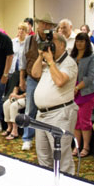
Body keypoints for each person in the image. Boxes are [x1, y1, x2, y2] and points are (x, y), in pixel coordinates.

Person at [32, 33, 78, 174]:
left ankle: (65, 185)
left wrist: (50, 61)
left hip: (60, 114)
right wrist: (41, 56)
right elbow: (34, 73)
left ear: (62, 45)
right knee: (43, 154)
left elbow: (59, 81)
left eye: (52, 42)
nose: (49, 44)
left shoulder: (69, 63)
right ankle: (48, 183)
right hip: (42, 114)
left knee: (61, 155)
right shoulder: (50, 62)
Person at [19, 13, 57, 151]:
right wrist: (21, 79)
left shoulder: (55, 39)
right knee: (30, 109)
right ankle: (27, 138)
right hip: (32, 78)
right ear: (38, 24)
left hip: (49, 78)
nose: (45, 27)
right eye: (43, 23)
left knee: (48, 109)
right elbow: (23, 61)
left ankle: (46, 138)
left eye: (49, 25)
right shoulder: (29, 40)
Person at [70, 32, 94, 157]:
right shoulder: (72, 56)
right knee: (76, 122)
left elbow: (90, 77)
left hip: (86, 92)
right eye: (77, 41)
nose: (79, 44)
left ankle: (86, 147)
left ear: (87, 43)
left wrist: (77, 87)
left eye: (82, 41)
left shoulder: (92, 57)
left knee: (84, 121)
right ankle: (77, 146)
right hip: (72, 92)